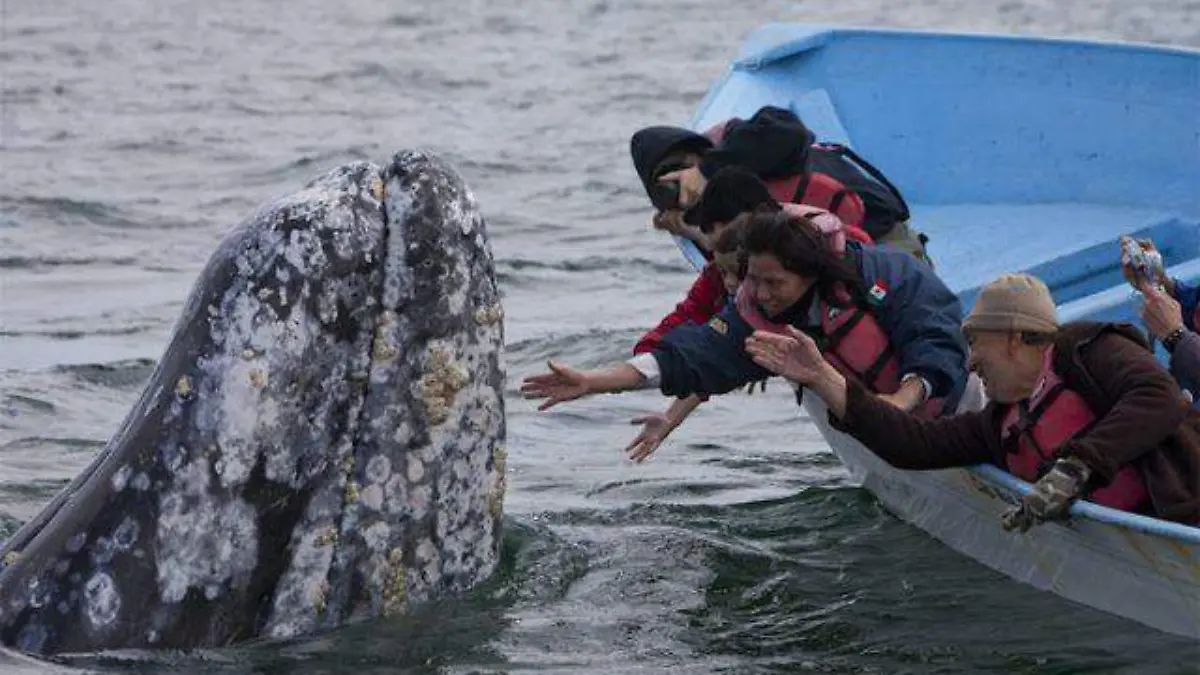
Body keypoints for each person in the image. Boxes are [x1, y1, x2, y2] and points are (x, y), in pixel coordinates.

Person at [742, 272, 1200, 529]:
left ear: (1016, 338)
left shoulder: (1086, 349)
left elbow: (1159, 398)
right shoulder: (997, 423)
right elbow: (912, 444)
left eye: (976, 344)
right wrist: (824, 378)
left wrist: (1076, 468)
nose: (971, 362)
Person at [522, 209, 971, 440]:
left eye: (774, 282)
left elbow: (937, 336)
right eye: (752, 278)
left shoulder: (890, 274)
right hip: (874, 428)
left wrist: (901, 402)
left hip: (953, 411)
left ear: (811, 273)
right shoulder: (755, 320)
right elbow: (688, 357)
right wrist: (593, 382)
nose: (759, 293)